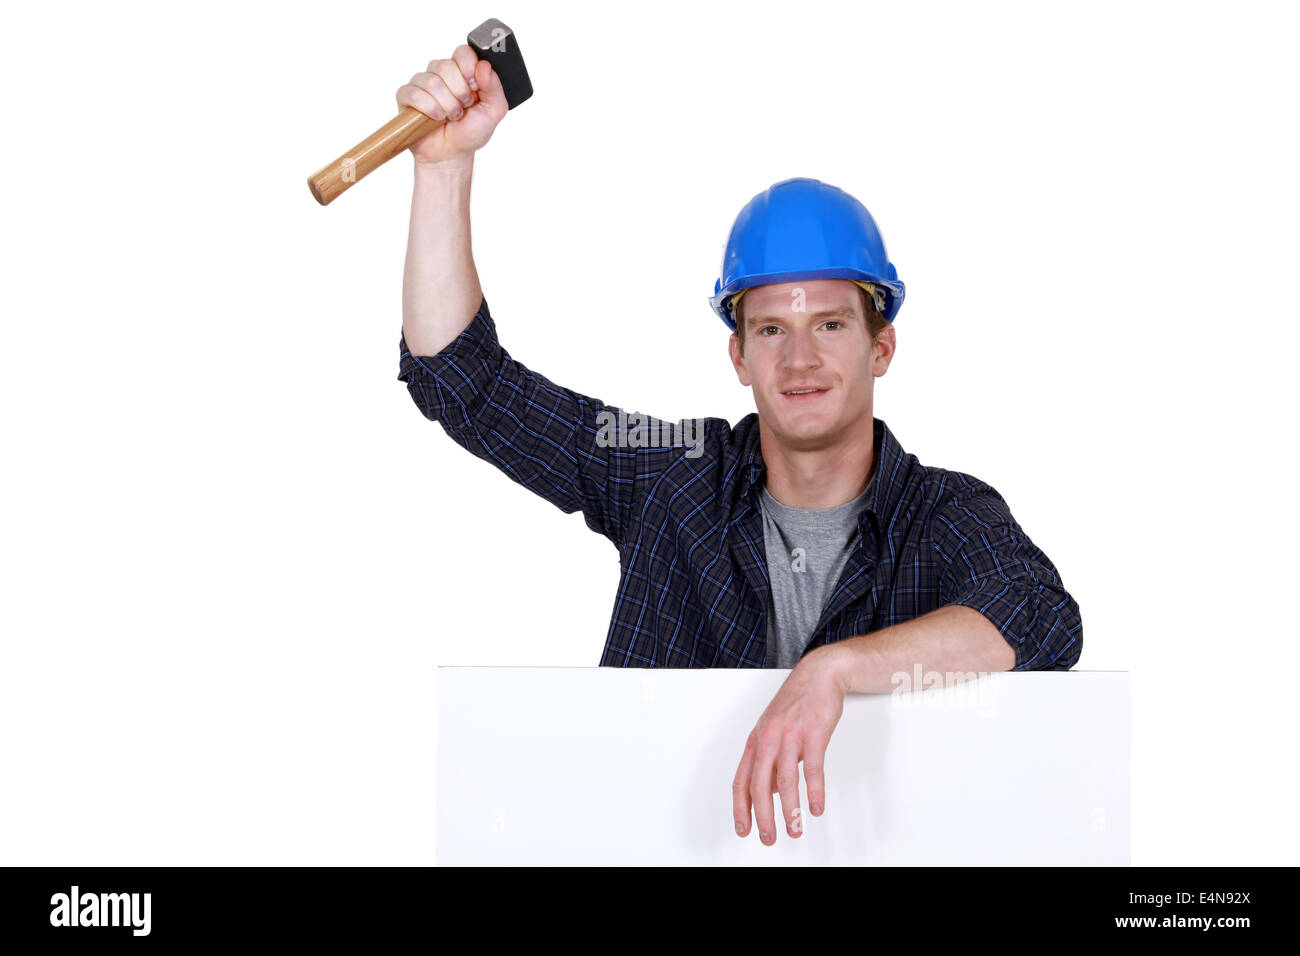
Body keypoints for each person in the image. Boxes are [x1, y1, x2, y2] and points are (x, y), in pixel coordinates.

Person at [394, 48, 1083, 848]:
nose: (800, 360)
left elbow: (1039, 618)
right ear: (739, 356)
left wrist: (834, 670)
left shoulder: (945, 514)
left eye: (829, 325)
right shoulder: (668, 476)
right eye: (771, 330)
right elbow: (467, 385)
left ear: (881, 345)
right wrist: (442, 170)